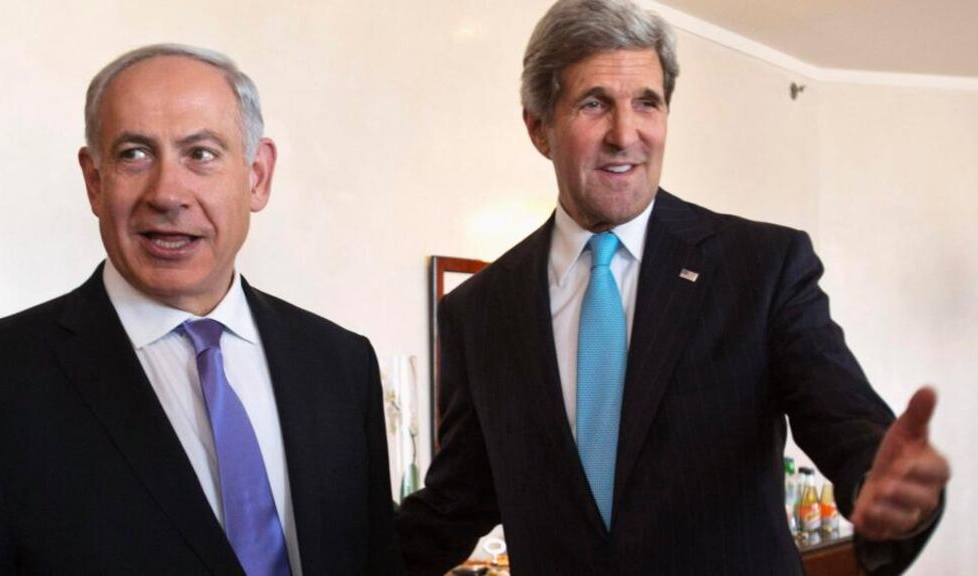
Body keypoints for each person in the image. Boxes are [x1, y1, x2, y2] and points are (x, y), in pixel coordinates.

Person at [396, 1, 950, 574]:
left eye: (647, 103)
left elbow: (851, 431)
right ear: (539, 127)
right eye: (594, 104)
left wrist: (887, 487)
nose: (625, 134)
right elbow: (455, 504)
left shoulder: (762, 268)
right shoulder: (479, 311)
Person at [0, 44, 401, 575]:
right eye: (134, 154)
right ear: (94, 181)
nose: (167, 193)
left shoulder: (342, 364)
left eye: (201, 154)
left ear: (257, 175)